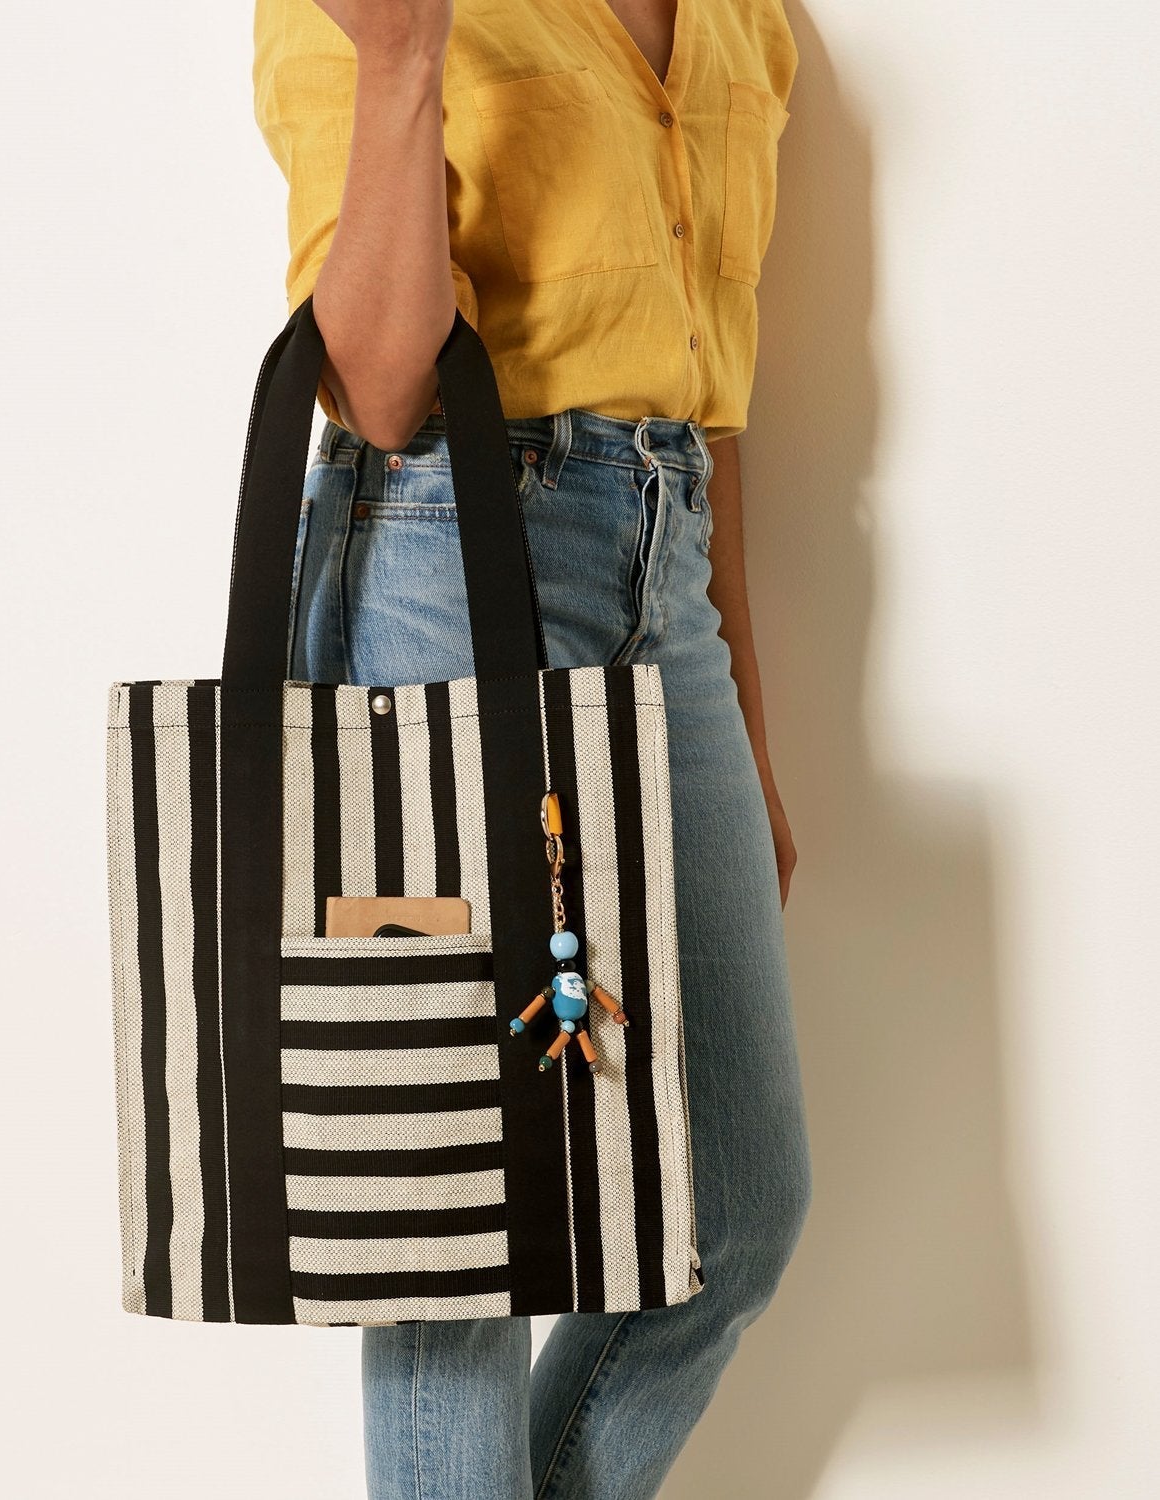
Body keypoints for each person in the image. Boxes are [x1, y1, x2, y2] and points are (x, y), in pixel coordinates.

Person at [253, 1, 813, 1495]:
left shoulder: (746, 21)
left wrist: (750, 739)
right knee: (451, 1221)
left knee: (739, 1209)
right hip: (444, 551)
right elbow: (378, 388)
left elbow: (713, 418)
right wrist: (403, 59)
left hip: (667, 565)